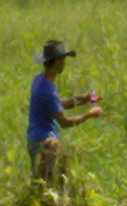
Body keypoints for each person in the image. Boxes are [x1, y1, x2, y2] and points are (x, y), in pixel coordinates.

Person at [27, 40, 102, 180]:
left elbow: (56, 105)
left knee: (40, 186)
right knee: (50, 186)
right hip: (46, 144)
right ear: (57, 62)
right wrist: (89, 114)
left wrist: (84, 99)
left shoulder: (39, 80)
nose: (64, 63)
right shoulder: (47, 90)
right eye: (63, 59)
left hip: (33, 141)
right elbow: (64, 122)